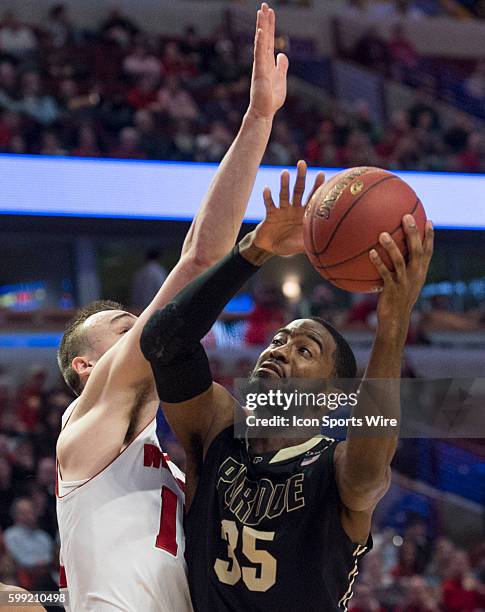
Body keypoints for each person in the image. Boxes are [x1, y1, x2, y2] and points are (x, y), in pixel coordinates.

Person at [55, 4, 289, 611]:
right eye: (127, 326)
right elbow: (199, 260)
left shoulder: (164, 463)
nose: (148, 329)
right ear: (87, 367)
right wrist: (258, 120)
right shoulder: (89, 420)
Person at [140, 163, 434, 611]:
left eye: (304, 350)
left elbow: (369, 466)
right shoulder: (219, 428)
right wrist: (253, 250)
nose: (279, 350)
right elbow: (164, 342)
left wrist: (393, 322)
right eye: (278, 340)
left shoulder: (336, 466)